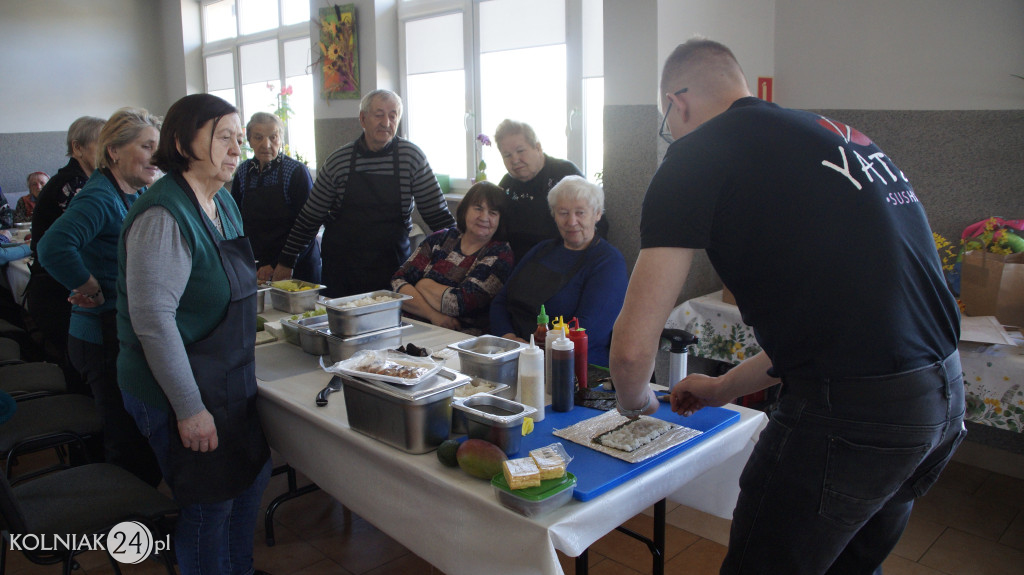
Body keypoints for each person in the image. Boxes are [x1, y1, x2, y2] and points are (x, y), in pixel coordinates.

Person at [609, 39, 964, 575]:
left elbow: (633, 350)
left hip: (855, 418)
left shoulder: (697, 154)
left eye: (668, 123)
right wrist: (722, 387)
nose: (672, 136)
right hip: (940, 401)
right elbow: (846, 326)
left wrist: (635, 403)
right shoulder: (832, 135)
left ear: (675, 103)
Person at [117, 93, 271, 575]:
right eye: (224, 136)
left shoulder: (223, 201)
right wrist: (189, 409)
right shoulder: (163, 216)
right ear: (183, 142)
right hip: (175, 387)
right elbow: (154, 322)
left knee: (249, 480)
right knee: (209, 503)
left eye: (239, 139)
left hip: (224, 377)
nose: (236, 149)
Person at [37, 108, 163, 487]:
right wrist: (88, 284)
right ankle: (131, 533)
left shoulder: (133, 191)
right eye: (146, 147)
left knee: (135, 437)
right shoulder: (99, 197)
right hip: (100, 335)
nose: (155, 158)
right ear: (113, 152)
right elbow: (52, 247)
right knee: (125, 443)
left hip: (116, 330)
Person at [272, 89, 455, 297]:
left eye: (393, 115)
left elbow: (437, 214)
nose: (386, 122)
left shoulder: (411, 157)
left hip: (392, 268)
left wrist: (460, 255)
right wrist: (286, 261)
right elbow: (310, 217)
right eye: (379, 114)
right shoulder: (339, 161)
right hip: (342, 270)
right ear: (362, 118)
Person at [490, 175, 627, 367]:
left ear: (597, 214)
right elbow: (500, 302)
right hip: (516, 354)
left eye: (580, 213)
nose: (571, 221)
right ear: (553, 215)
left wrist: (532, 352)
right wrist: (509, 338)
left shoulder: (608, 262)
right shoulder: (541, 250)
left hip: (573, 366)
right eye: (563, 213)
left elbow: (587, 330)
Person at [27, 115, 105, 395]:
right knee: (80, 379)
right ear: (78, 147)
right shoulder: (73, 184)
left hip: (57, 290)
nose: (110, 151)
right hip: (56, 294)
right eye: (101, 143)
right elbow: (76, 246)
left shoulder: (83, 180)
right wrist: (92, 287)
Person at [391, 181, 514, 334]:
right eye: (478, 208)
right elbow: (397, 283)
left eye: (493, 213)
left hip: (460, 337)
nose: (484, 217)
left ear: (500, 220)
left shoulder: (500, 253)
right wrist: (433, 315)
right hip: (410, 326)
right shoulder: (441, 238)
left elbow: (457, 303)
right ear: (465, 210)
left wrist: (422, 284)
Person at [495, 119, 607, 263]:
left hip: (562, 260)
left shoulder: (565, 174)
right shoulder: (506, 185)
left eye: (520, 151)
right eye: (507, 155)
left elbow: (597, 224)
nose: (515, 160)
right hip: (516, 264)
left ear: (538, 148)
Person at [231, 112, 320, 283]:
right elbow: (235, 221)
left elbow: (309, 224)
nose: (266, 144)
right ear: (249, 141)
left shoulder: (295, 171)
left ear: (281, 139)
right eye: (258, 137)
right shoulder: (243, 172)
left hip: (296, 265)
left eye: (273, 137)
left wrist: (282, 263)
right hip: (257, 267)